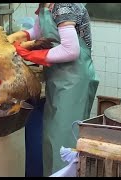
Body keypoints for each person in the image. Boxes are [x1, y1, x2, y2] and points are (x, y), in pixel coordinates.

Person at [7, 3, 99, 176]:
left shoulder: (64, 6)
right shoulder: (46, 5)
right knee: (51, 139)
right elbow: (40, 30)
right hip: (57, 78)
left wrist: (30, 55)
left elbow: (71, 50)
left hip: (74, 80)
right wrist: (22, 35)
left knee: (65, 141)